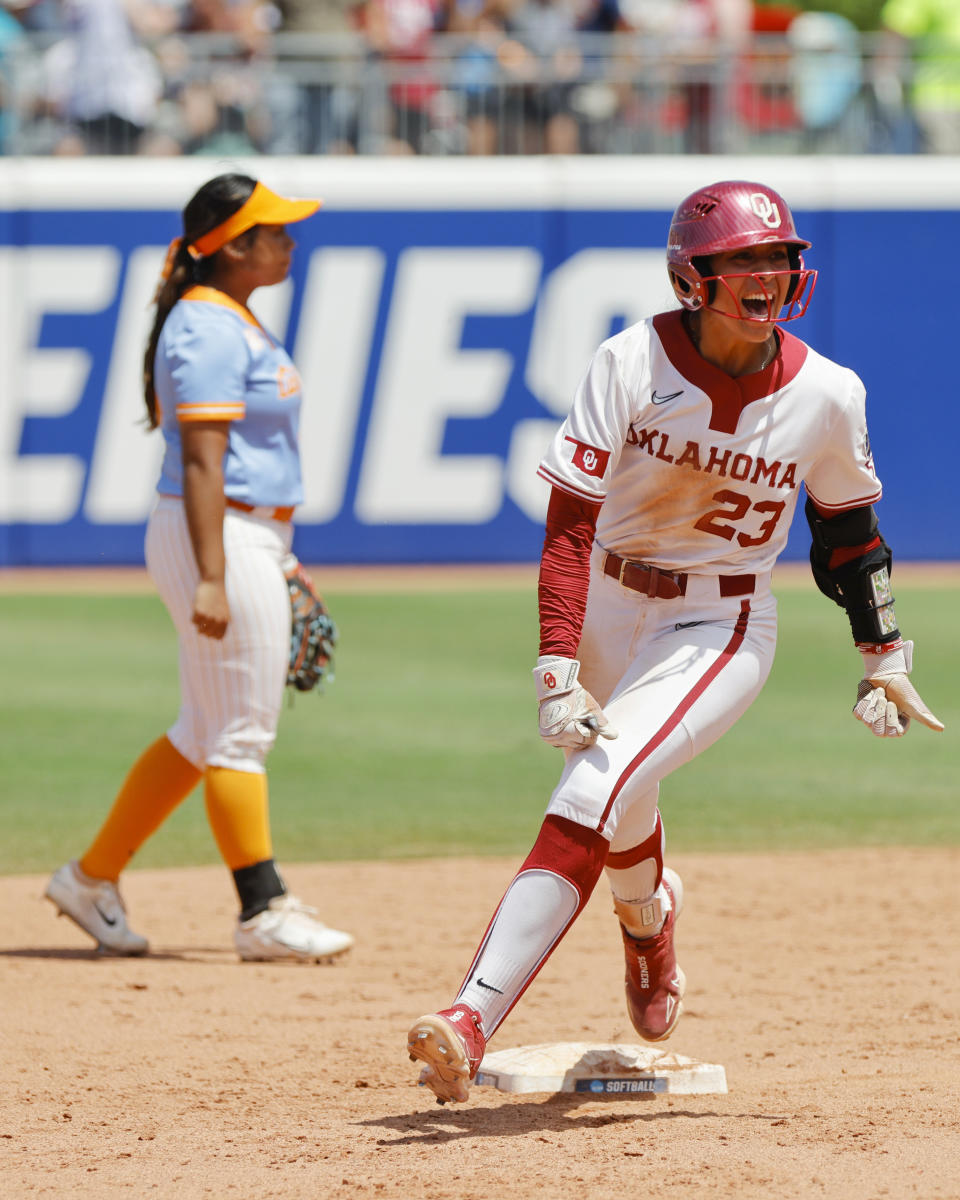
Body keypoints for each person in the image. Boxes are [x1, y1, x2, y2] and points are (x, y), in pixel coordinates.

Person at [406, 179, 944, 1104]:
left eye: (778, 256)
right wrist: (556, 662)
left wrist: (882, 656)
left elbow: (851, 537)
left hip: (723, 618)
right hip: (610, 596)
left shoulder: (827, 393)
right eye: (743, 259)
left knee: (598, 776)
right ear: (694, 275)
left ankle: (470, 1014)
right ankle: (650, 927)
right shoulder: (630, 360)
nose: (767, 273)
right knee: (621, 795)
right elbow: (570, 524)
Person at [45, 173, 354, 964]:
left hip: (243, 534)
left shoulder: (226, 317)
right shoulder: (209, 328)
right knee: (240, 735)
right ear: (232, 247)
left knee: (201, 731)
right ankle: (262, 910)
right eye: (273, 231)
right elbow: (203, 463)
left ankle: (90, 878)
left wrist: (272, 559)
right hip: (215, 531)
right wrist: (218, 574)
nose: (288, 242)